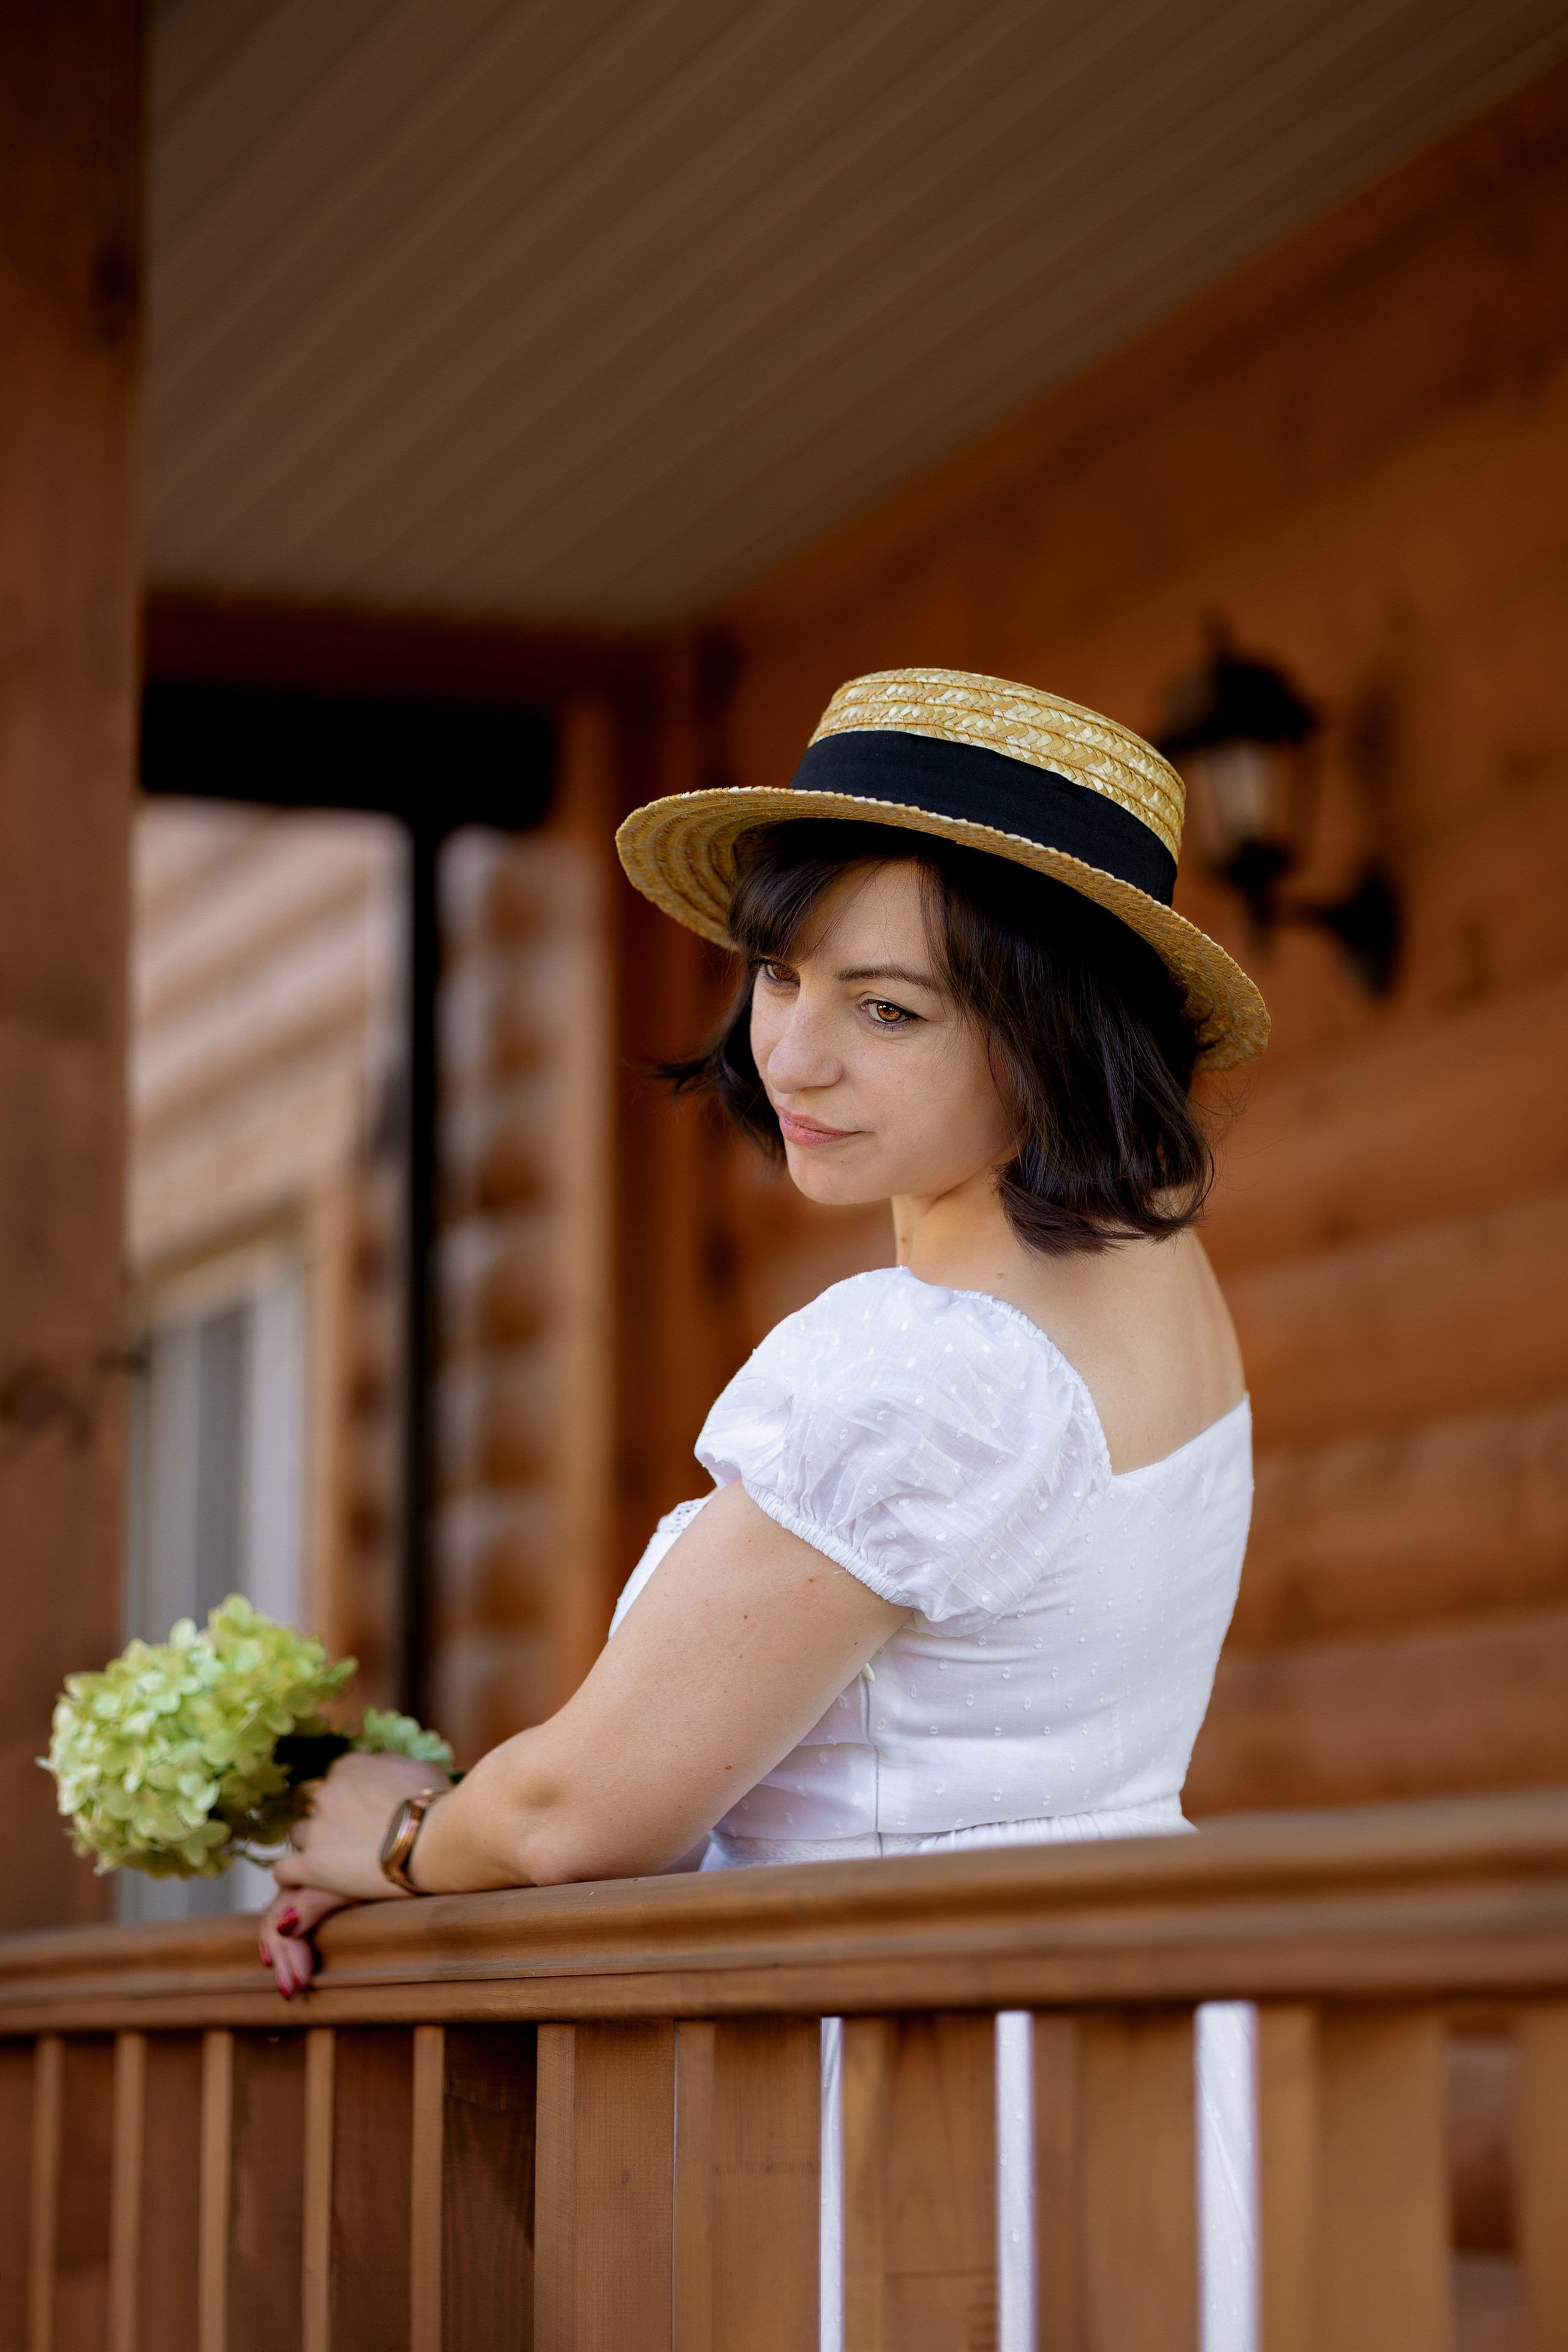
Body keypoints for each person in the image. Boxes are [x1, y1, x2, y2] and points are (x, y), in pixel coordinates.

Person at [260, 666, 1263, 1983]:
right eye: (782, 976)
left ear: (1056, 1031)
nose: (789, 1055)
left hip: (909, 2045)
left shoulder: (930, 1360)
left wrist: (392, 1833)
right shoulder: (1161, 1288)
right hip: (1107, 2017)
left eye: (887, 1008)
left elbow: (577, 1817)